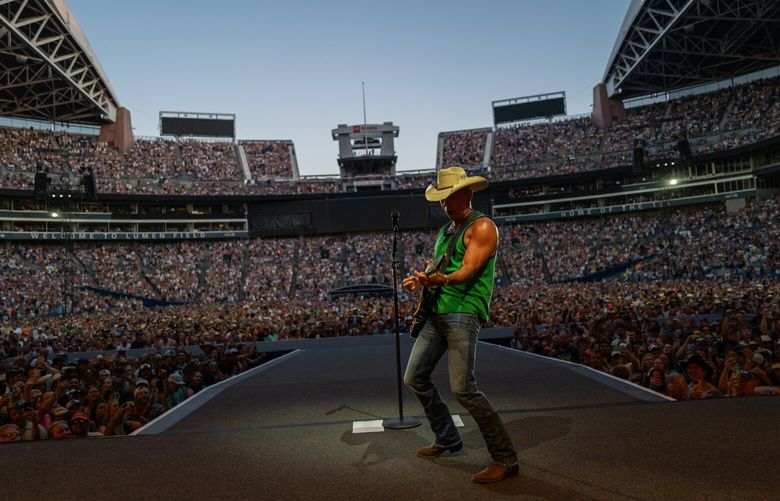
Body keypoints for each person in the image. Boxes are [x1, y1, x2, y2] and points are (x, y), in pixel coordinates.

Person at [402, 166, 518, 484]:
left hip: (464, 312)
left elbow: (467, 271)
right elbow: (443, 267)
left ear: (467, 193)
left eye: (449, 197)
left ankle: (505, 459)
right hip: (439, 312)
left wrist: (441, 277)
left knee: (463, 389)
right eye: (441, 199)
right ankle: (448, 437)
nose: (445, 204)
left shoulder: (482, 227)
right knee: (414, 377)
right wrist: (425, 277)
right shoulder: (446, 232)